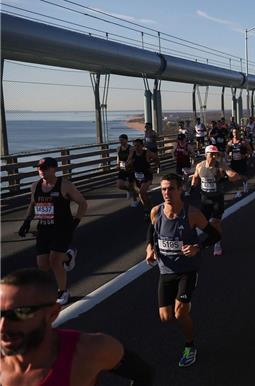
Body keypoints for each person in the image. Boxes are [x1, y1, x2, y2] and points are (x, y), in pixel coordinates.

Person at [0, 268, 153, 385]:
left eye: (20, 313)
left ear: (53, 313)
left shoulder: (89, 350)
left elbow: (142, 374)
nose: (3, 326)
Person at [146, 173, 222, 368]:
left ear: (180, 190)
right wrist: (149, 249)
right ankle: (184, 304)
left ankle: (190, 346)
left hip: (187, 269)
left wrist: (197, 247)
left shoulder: (192, 214)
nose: (166, 193)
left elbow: (214, 235)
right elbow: (151, 232)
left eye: (171, 188)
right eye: (163, 189)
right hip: (166, 270)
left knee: (180, 314)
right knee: (166, 317)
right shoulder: (156, 211)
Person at [18, 157, 87, 306]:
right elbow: (32, 204)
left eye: (45, 168)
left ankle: (63, 291)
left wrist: (75, 222)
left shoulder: (65, 185)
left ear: (53, 169)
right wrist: (26, 222)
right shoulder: (35, 186)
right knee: (42, 265)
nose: (41, 171)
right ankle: (68, 257)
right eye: (39, 168)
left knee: (55, 261)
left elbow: (82, 203)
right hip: (43, 228)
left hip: (62, 228)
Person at [191, 145, 239, 257]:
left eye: (215, 154)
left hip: (217, 200)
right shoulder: (200, 166)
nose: (213, 156)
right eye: (211, 153)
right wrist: (193, 184)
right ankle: (212, 237)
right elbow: (195, 176)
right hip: (205, 200)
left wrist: (230, 176)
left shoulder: (220, 166)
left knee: (215, 222)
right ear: (205, 154)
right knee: (201, 223)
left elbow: (233, 174)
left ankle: (217, 243)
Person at [126, 139, 160, 216]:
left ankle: (146, 210)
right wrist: (129, 163)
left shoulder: (146, 153)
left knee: (141, 192)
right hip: (137, 176)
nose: (136, 147)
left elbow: (156, 158)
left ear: (142, 146)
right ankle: (151, 207)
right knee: (142, 195)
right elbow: (127, 164)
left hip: (147, 175)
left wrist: (156, 167)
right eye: (135, 146)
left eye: (138, 146)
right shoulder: (132, 153)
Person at [227, 128, 252, 198]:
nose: (235, 134)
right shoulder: (230, 142)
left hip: (241, 161)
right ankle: (238, 191)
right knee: (233, 177)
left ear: (239, 133)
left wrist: (245, 155)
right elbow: (226, 152)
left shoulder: (243, 142)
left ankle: (245, 183)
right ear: (232, 134)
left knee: (242, 176)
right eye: (234, 133)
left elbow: (250, 150)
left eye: (236, 132)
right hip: (234, 161)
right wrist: (229, 155)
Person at [116, 134, 135, 204]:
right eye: (120, 140)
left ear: (126, 140)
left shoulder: (131, 148)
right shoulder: (118, 148)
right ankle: (129, 190)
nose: (121, 142)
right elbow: (118, 158)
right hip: (122, 167)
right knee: (119, 185)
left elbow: (129, 158)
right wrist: (117, 165)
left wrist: (125, 165)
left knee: (131, 185)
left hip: (131, 168)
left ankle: (134, 200)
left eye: (122, 140)